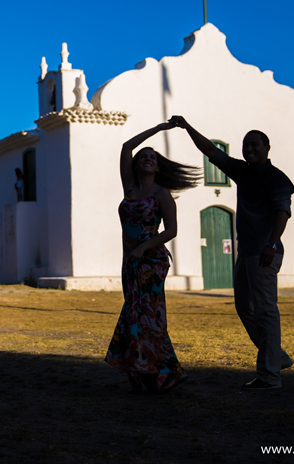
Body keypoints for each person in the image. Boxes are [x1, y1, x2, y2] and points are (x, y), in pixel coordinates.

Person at [173, 115, 294, 390]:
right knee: (244, 307)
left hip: (265, 252)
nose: (249, 149)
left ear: (267, 148)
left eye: (254, 145)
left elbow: (283, 211)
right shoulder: (242, 171)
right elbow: (211, 151)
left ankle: (269, 376)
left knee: (265, 311)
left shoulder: (276, 178)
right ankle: (277, 357)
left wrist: (272, 243)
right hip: (247, 252)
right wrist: (187, 127)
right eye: (245, 145)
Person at [104, 120, 201, 393]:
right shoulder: (130, 188)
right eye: (143, 157)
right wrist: (159, 129)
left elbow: (171, 230)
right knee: (133, 314)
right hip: (130, 260)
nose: (147, 159)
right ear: (136, 165)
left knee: (148, 315)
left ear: (157, 167)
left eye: (153, 158)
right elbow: (127, 147)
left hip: (151, 261)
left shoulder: (162, 194)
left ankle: (171, 371)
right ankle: (142, 374)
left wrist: (143, 247)